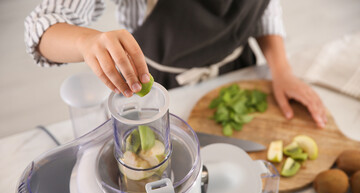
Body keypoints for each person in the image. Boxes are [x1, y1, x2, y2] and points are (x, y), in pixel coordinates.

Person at [25, 0, 327, 128]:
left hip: (237, 74)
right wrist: (85, 41)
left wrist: (282, 69)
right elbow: (41, 26)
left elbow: (262, 6)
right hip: (156, 88)